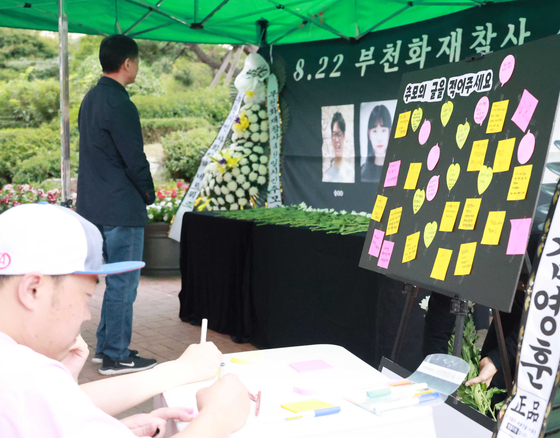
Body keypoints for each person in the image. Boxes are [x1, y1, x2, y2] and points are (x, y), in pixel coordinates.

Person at [0, 203, 250, 437]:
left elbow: (49, 408)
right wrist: (218, 417)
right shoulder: (23, 373)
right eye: (86, 297)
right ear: (33, 290)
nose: (87, 315)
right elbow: (38, 394)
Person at [77, 34, 156, 375]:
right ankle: (115, 356)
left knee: (110, 280)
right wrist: (149, 193)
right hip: (122, 207)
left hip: (94, 207)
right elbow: (134, 158)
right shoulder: (121, 103)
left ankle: (105, 347)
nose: (136, 67)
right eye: (136, 62)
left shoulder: (90, 98)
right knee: (123, 282)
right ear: (127, 63)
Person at [361, 104, 392, 183]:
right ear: (369, 134)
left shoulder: (399, 169)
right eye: (374, 131)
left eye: (383, 130)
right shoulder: (362, 172)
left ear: (389, 132)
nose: (379, 138)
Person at [323, 111, 354, 183]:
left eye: (339, 134)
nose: (336, 140)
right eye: (334, 134)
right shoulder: (326, 177)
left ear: (344, 137)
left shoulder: (352, 174)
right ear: (331, 137)